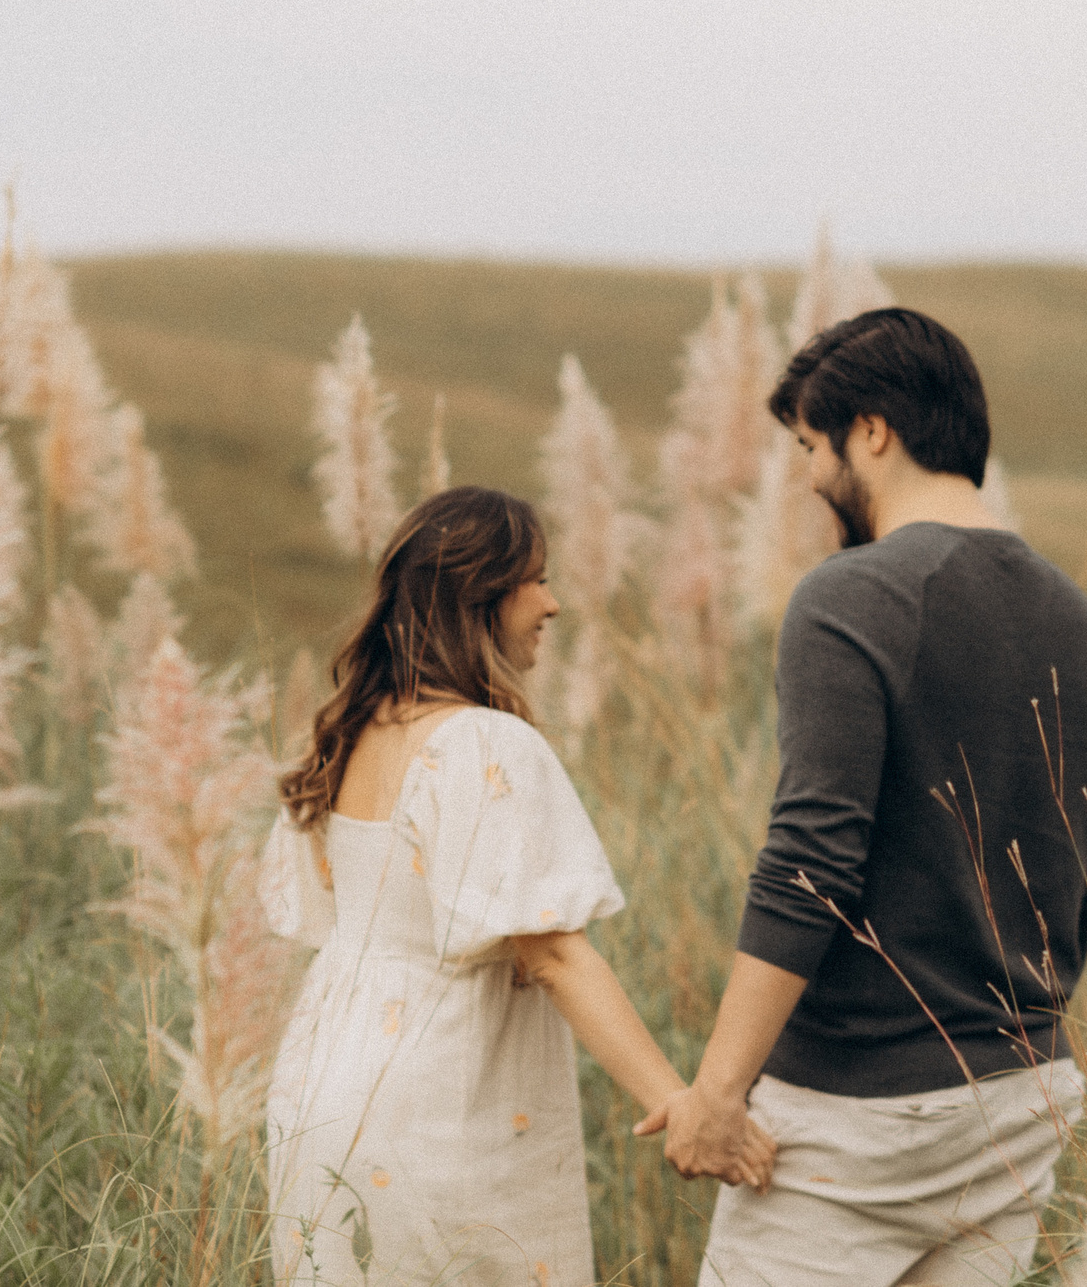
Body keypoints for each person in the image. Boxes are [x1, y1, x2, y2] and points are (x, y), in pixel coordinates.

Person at [637, 309, 1087, 1287]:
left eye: (814, 445)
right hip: (1017, 1094)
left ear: (873, 431)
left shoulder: (852, 594)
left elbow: (811, 855)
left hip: (856, 1118)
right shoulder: (1074, 615)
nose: (812, 476)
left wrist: (718, 1092)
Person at [260, 484, 773, 1285]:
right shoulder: (483, 744)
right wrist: (678, 1101)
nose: (553, 602)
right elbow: (555, 954)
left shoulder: (346, 736)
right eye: (533, 579)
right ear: (480, 595)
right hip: (442, 1102)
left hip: (318, 1094)